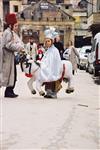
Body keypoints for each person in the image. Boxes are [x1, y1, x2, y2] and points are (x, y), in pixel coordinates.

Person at [1, 13, 24, 98]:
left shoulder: (9, 32)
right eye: (15, 25)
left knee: (12, 74)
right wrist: (19, 47)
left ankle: (9, 91)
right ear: (11, 25)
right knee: (7, 74)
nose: (17, 27)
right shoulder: (8, 33)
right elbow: (8, 45)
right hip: (7, 57)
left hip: (10, 57)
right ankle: (9, 91)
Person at [36, 29, 62, 98]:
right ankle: (48, 92)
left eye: (48, 41)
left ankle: (53, 93)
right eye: (46, 41)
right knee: (46, 77)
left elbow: (55, 61)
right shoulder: (48, 50)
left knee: (52, 79)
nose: (47, 43)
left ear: (52, 41)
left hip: (53, 69)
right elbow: (45, 59)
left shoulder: (55, 50)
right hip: (47, 68)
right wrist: (41, 63)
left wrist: (48, 66)